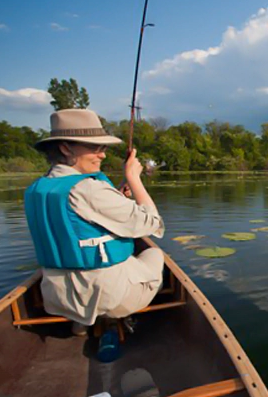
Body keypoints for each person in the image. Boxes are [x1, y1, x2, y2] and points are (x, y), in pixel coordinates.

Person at [24, 109, 165, 336]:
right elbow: (152, 223)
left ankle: (81, 322)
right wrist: (134, 179)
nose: (103, 155)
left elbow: (76, 223)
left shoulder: (38, 188)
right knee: (155, 255)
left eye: (104, 148)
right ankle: (112, 316)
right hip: (106, 298)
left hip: (57, 298)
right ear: (65, 148)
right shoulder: (89, 188)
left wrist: (117, 195)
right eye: (95, 147)